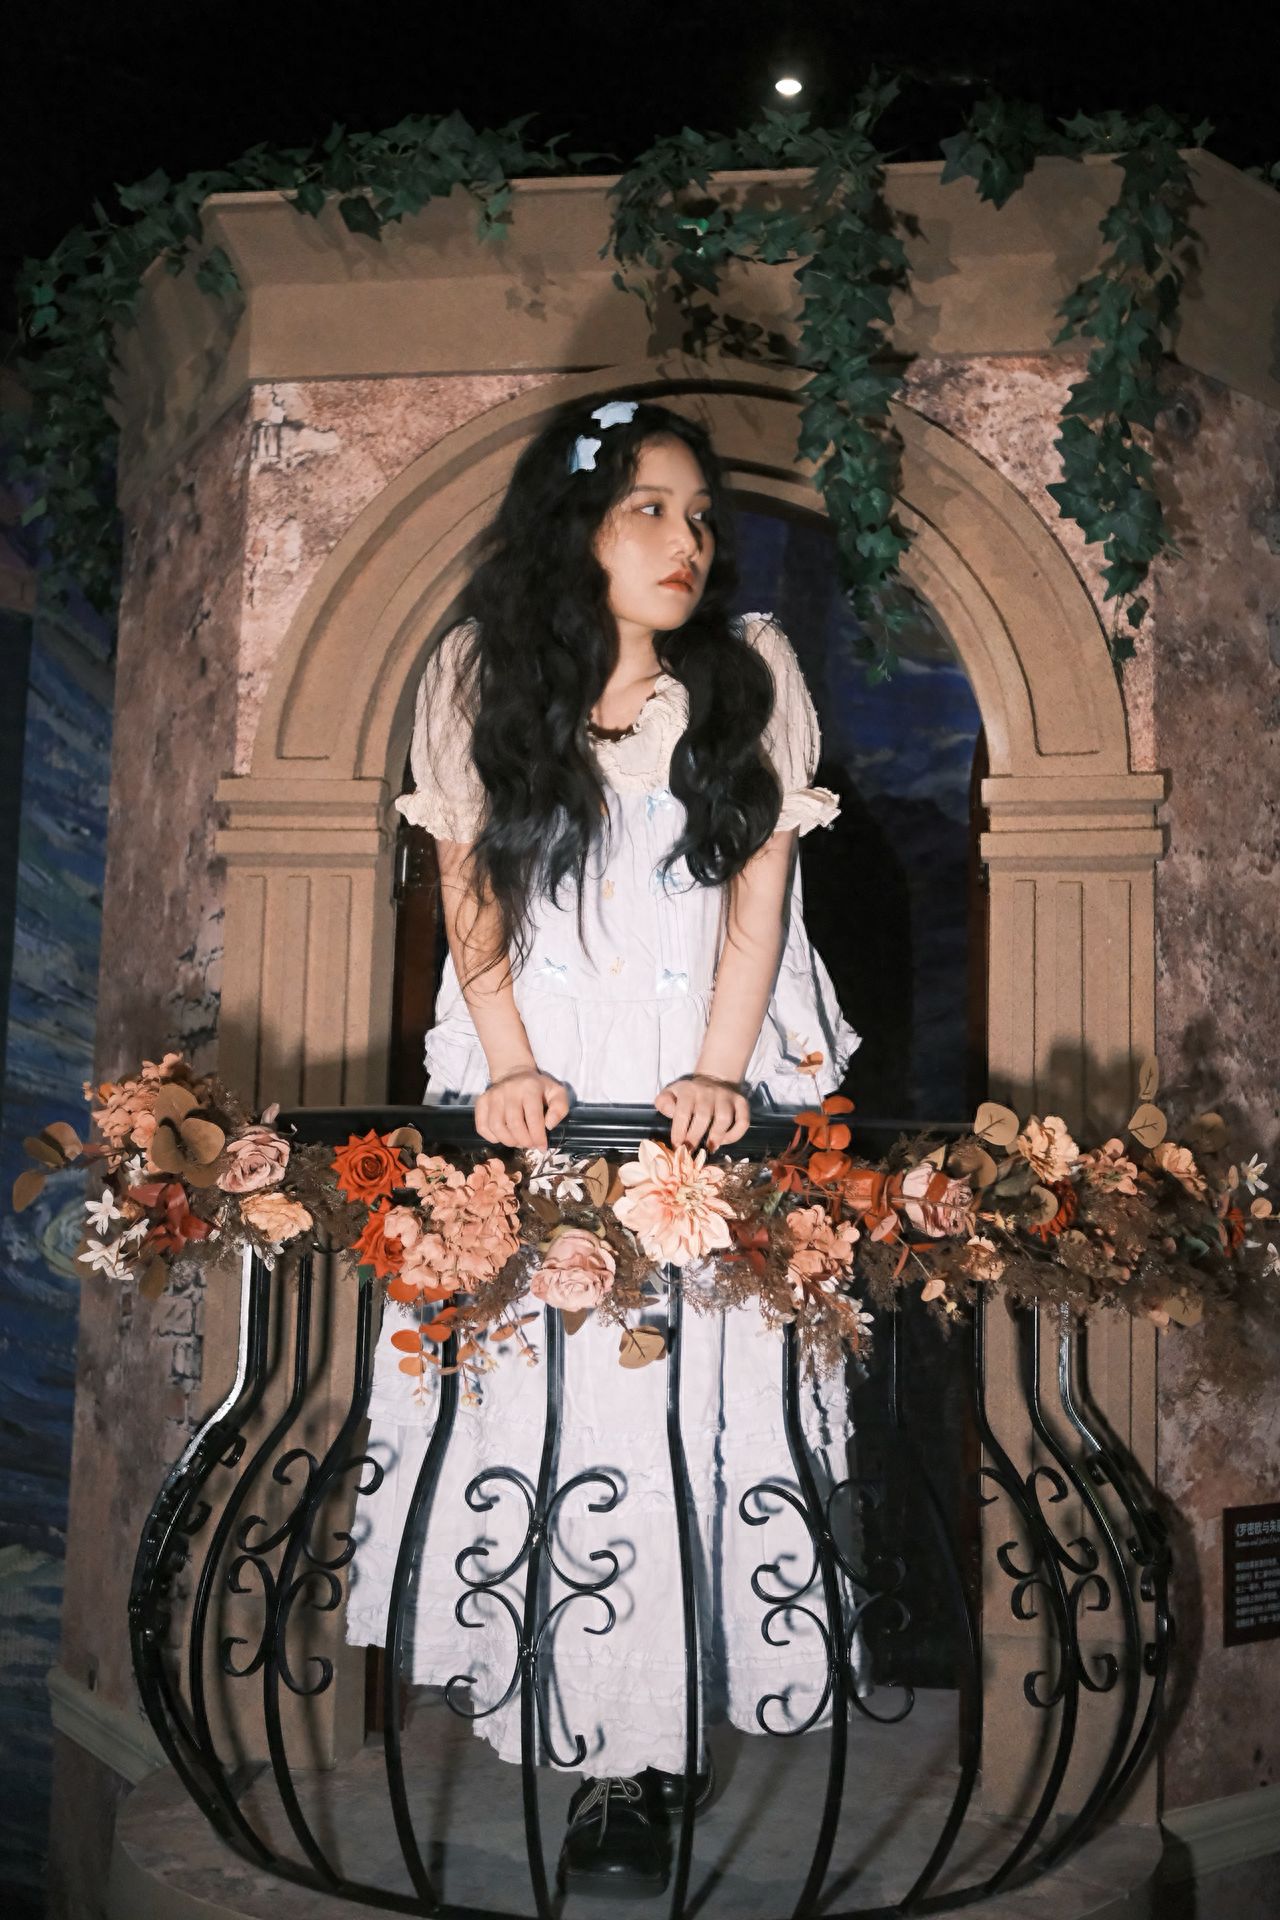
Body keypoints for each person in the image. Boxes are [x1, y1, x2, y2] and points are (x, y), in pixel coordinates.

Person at [345, 397, 862, 1894]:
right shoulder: (476, 677)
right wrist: (506, 1069)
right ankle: (575, 1737)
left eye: (699, 514)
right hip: (545, 1093)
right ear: (575, 528)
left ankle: (654, 1757)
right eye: (650, 508)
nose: (687, 541)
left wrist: (715, 1073)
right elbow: (471, 890)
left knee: (688, 1413)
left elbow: (760, 898)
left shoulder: (753, 675)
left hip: (691, 1096)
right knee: (555, 1417)